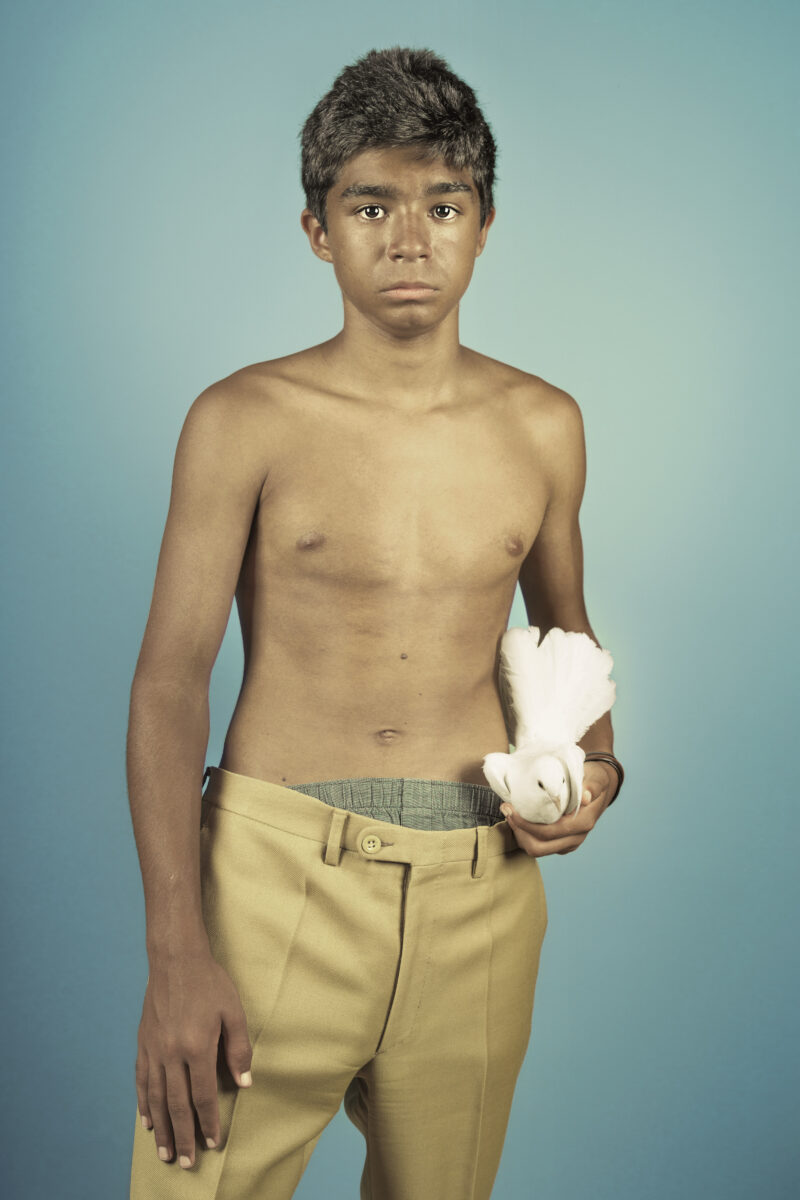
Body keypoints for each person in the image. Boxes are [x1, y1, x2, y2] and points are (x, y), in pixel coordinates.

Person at [127, 45, 623, 1200]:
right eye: (371, 204)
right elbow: (166, 684)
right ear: (317, 229)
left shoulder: (543, 424)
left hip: (479, 891)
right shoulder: (243, 418)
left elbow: (569, 648)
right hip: (269, 883)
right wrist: (175, 953)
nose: (410, 238)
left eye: (442, 204)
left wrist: (597, 776)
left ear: (483, 223)